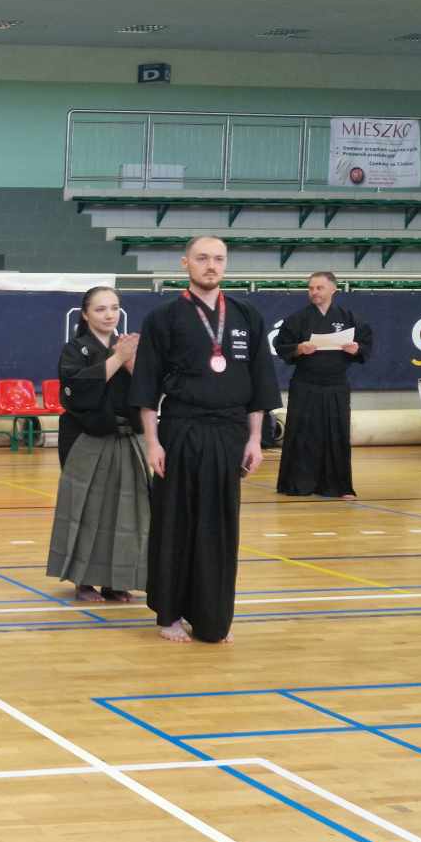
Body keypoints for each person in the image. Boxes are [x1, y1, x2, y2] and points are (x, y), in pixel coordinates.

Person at [131, 236, 280, 644]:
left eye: (218, 259)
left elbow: (260, 383)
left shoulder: (247, 315)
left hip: (230, 432)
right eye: (202, 258)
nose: (210, 265)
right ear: (185, 263)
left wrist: (255, 439)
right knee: (175, 522)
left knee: (220, 526)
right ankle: (170, 613)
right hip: (180, 430)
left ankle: (212, 617)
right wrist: (153, 442)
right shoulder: (163, 317)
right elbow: (146, 386)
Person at [44, 286, 147, 603]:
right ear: (86, 314)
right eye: (101, 309)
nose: (109, 315)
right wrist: (118, 358)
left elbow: (150, 389)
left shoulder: (128, 347)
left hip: (128, 437)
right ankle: (84, 581)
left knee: (125, 512)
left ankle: (117, 580)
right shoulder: (75, 350)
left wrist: (131, 363)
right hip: (88, 439)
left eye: (114, 308)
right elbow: (77, 391)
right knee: (86, 510)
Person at [274, 271, 372, 500]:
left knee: (336, 434)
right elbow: (281, 346)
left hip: (336, 385)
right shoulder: (297, 319)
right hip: (305, 384)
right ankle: (297, 484)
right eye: (311, 288)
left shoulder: (349, 318)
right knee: (302, 433)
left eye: (319, 288)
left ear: (333, 289)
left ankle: (338, 486)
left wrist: (356, 349)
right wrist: (299, 348)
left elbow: (366, 345)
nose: (314, 292)